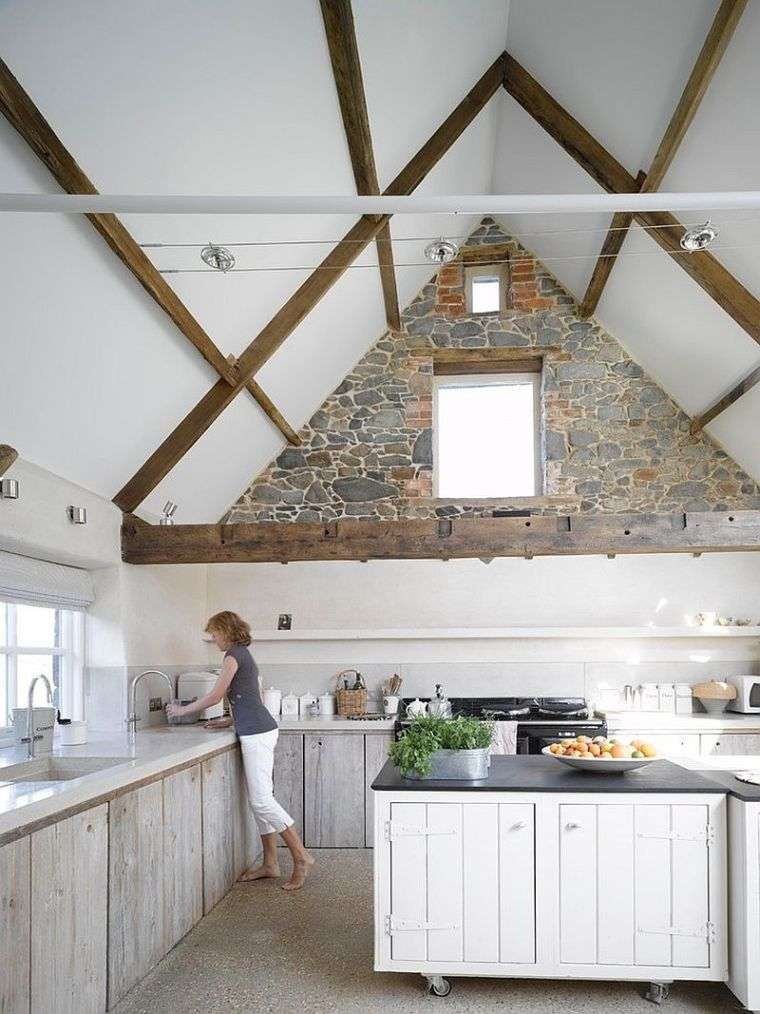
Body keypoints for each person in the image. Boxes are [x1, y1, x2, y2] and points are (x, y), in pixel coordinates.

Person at [167, 610, 314, 891]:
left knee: (261, 801)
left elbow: (216, 694)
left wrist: (181, 710)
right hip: (257, 727)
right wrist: (232, 719)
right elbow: (249, 697)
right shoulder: (243, 654)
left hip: (257, 733)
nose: (213, 639)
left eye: (214, 633)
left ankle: (301, 857)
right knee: (261, 799)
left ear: (226, 630)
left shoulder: (233, 655)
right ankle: (271, 864)